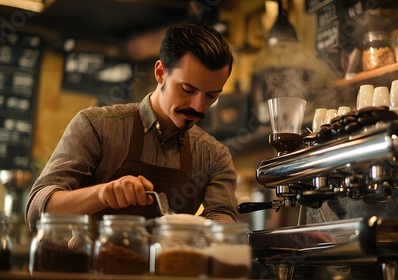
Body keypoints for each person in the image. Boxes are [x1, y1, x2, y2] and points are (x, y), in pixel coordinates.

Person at [25, 22, 239, 233]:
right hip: (85, 266)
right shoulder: (97, 126)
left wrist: (215, 228)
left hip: (168, 267)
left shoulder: (215, 156)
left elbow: (222, 218)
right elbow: (36, 213)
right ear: (160, 73)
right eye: (187, 89)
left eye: (212, 95)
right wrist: (102, 194)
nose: (199, 106)